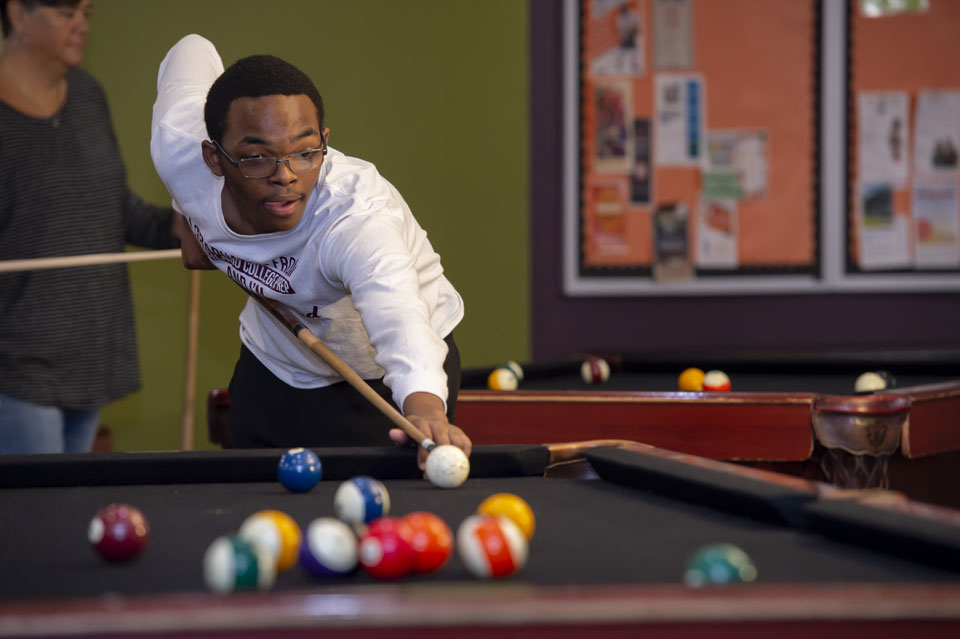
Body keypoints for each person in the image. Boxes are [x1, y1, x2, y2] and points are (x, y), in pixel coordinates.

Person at [150, 34, 470, 467]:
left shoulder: (354, 218)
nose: (286, 176)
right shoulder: (179, 148)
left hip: (375, 381)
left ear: (324, 140)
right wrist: (186, 208)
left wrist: (426, 407)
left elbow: (400, 317)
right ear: (213, 157)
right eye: (257, 157)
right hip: (273, 365)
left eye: (305, 152)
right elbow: (191, 47)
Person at [0, 0, 181, 454]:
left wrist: (189, 225)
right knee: (35, 520)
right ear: (18, 14)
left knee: (70, 511)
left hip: (91, 356)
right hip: (18, 367)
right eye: (66, 12)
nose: (82, 24)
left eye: (87, 12)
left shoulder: (87, 94)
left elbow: (112, 211)